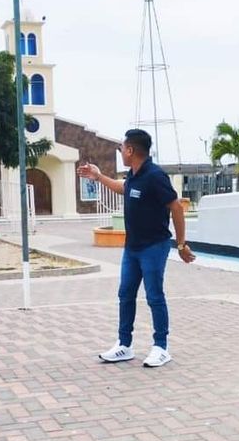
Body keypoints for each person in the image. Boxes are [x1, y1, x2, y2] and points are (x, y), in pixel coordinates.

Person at [78, 129, 196, 367]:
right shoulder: (134, 174)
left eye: (122, 148)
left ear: (130, 150)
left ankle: (161, 347)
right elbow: (123, 188)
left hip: (154, 246)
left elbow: (176, 207)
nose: (121, 151)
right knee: (125, 294)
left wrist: (181, 243)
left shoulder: (155, 176)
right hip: (132, 248)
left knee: (154, 296)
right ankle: (124, 345)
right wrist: (99, 177)